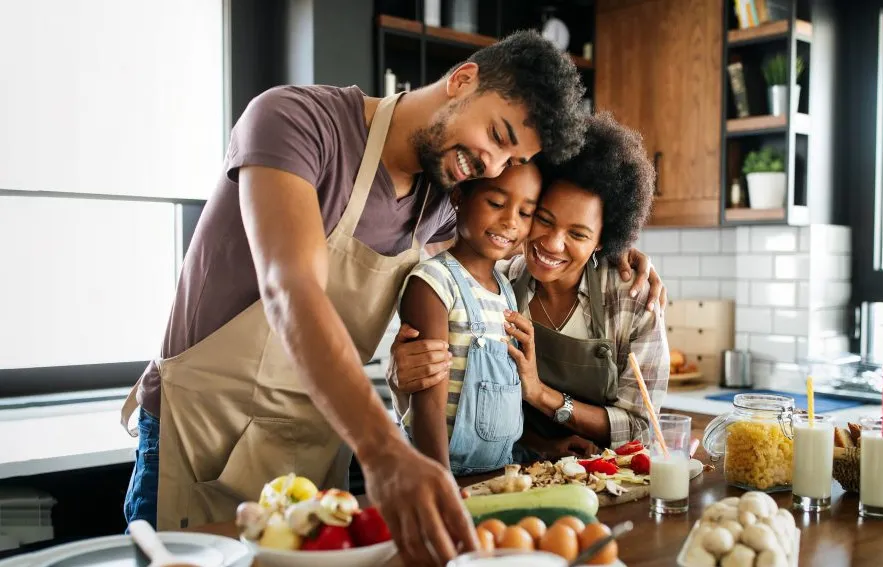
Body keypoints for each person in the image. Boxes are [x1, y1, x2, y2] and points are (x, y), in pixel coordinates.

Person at [118, 29, 661, 566]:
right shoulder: (297, 123)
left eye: (508, 160)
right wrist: (384, 452)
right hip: (203, 436)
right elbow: (292, 289)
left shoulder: (442, 200)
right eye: (497, 135)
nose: (492, 165)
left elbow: (519, 251)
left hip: (314, 446)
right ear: (464, 79)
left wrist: (616, 253)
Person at [390, 113, 670, 462]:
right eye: (543, 218)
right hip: (516, 472)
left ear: (604, 241)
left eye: (578, 234)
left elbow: (641, 425)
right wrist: (402, 369)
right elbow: (444, 393)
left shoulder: (632, 300)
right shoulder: (501, 280)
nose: (552, 244)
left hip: (608, 476)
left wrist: (541, 394)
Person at [400, 164, 540, 476]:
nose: (509, 222)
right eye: (496, 204)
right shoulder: (434, 282)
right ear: (459, 196)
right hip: (439, 473)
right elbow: (429, 404)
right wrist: (441, 484)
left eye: (525, 213)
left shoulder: (506, 291)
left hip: (498, 473)